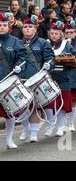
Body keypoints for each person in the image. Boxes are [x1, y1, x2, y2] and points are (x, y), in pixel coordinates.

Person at [18, 15, 55, 143]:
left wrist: (48, 64)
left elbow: (51, 58)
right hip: (20, 80)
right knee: (20, 108)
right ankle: (26, 128)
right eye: (25, 27)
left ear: (35, 29)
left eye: (30, 27)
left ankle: (34, 133)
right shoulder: (17, 43)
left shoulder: (43, 43)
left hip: (36, 80)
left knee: (35, 107)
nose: (27, 29)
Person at [45, 21, 76, 137]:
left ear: (60, 35)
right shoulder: (46, 44)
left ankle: (59, 127)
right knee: (49, 104)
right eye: (52, 33)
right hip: (49, 78)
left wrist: (65, 60)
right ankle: (50, 125)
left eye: (56, 33)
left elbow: (75, 59)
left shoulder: (67, 45)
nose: (54, 35)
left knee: (62, 104)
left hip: (63, 77)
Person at [0, 12, 27, 149]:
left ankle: (9, 140)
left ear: (9, 26)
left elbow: (23, 57)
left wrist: (18, 66)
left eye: (4, 25)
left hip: (8, 81)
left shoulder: (15, 41)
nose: (1, 27)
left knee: (9, 113)